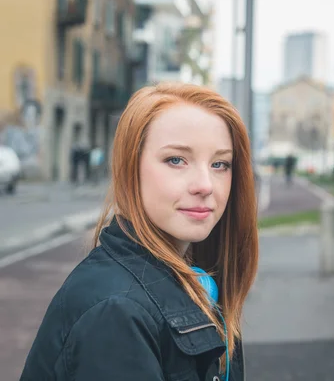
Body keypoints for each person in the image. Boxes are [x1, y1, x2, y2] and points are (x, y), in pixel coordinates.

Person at [20, 83, 259, 381]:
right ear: (130, 167)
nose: (205, 184)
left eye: (220, 164)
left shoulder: (189, 281)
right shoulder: (116, 313)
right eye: (176, 160)